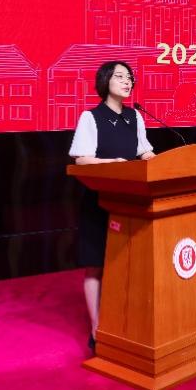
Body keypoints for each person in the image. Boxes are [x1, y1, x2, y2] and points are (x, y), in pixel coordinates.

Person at [68, 61, 155, 352]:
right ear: (106, 81)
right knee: (96, 266)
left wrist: (158, 161)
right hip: (99, 201)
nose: (127, 81)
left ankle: (125, 322)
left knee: (127, 264)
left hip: (130, 203)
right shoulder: (91, 117)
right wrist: (113, 164)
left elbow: (144, 151)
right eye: (120, 76)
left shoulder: (135, 116)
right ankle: (96, 329)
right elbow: (81, 159)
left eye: (129, 77)